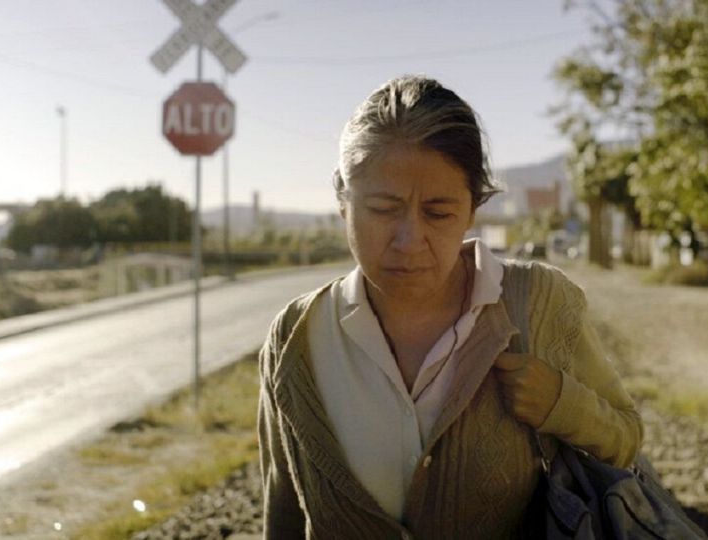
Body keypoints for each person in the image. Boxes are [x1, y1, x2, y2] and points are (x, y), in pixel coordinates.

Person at [257, 75, 643, 539]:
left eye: (439, 213)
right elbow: (282, 509)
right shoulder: (295, 338)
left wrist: (563, 403)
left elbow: (625, 440)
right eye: (382, 208)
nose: (409, 239)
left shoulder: (539, 303)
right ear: (343, 200)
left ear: (473, 208)